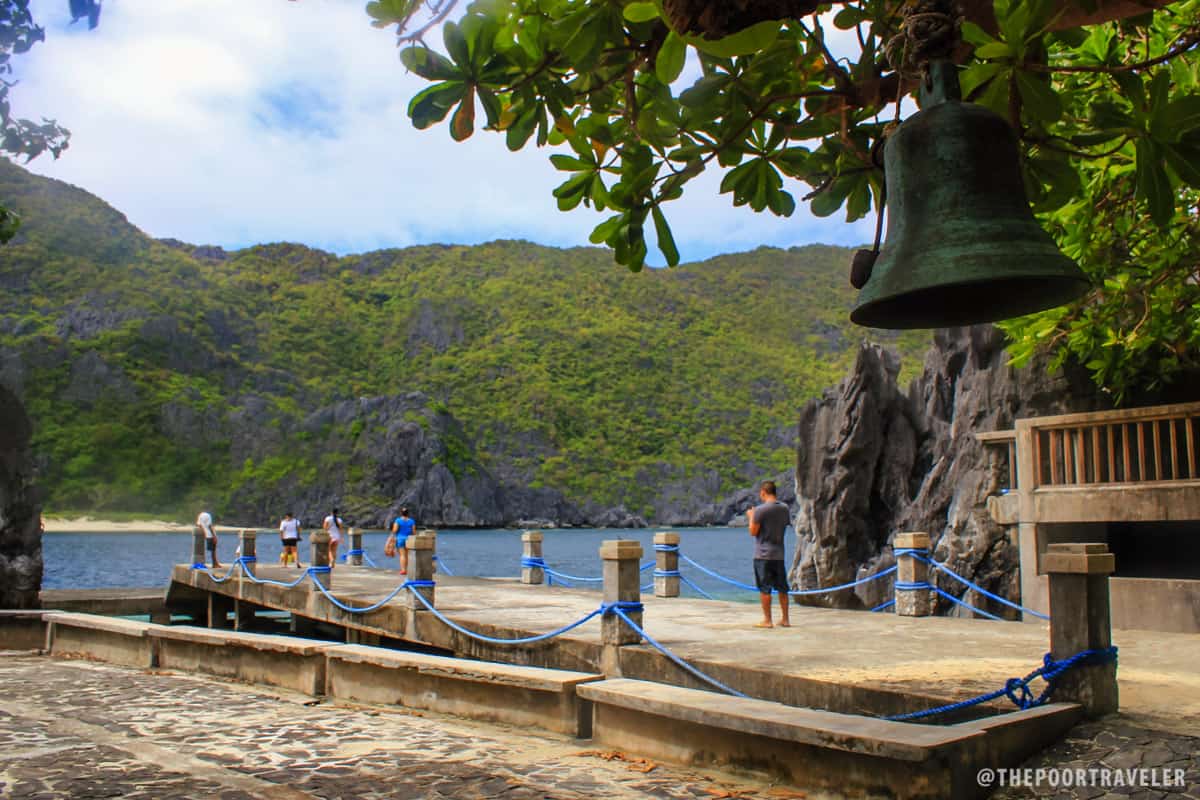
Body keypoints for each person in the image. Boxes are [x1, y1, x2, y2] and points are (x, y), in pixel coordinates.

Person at [747, 480, 790, 628]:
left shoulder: (760, 510)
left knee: (765, 588)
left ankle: (767, 620)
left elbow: (753, 532)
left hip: (763, 554)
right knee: (782, 588)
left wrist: (751, 516)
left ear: (763, 492)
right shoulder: (785, 508)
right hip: (779, 554)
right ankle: (785, 619)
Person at [390, 506, 415, 574]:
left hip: (400, 539)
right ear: (408, 513)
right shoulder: (411, 521)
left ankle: (403, 570)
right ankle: (407, 569)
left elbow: (395, 530)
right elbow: (413, 532)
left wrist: (392, 536)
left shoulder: (398, 520)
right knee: (407, 555)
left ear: (401, 513)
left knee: (402, 555)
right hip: (408, 539)